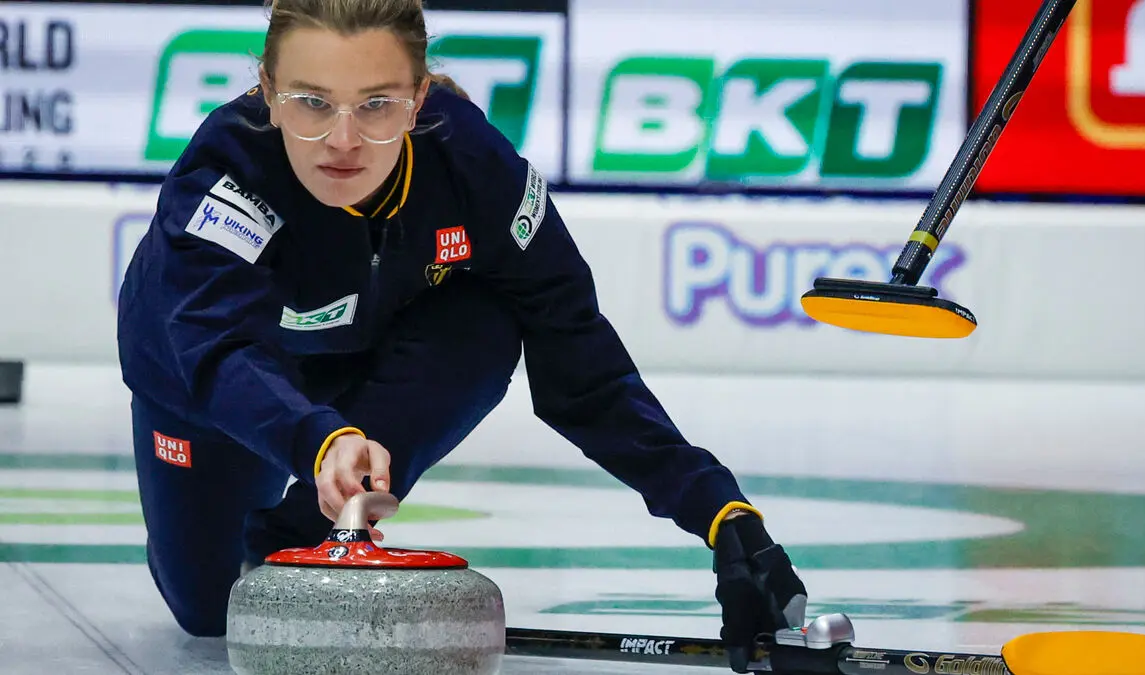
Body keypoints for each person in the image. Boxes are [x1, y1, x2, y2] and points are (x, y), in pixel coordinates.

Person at [116, 0, 808, 671]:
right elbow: (217, 352)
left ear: (419, 99)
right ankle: (276, 518)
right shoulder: (227, 171)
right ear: (267, 91)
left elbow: (583, 370)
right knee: (216, 612)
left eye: (377, 104)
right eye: (312, 101)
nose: (343, 140)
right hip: (205, 388)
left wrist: (723, 516)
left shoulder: (474, 168)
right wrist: (319, 438)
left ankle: (305, 534)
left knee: (486, 321)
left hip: (365, 361)